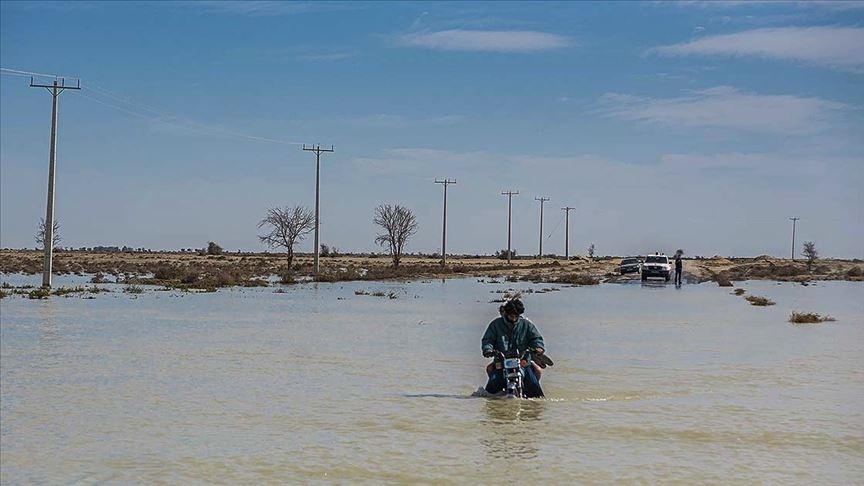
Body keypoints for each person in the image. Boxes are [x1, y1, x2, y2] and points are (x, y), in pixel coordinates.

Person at [481, 298, 546, 398]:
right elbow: (488, 340)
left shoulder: (527, 325)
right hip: (502, 362)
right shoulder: (495, 325)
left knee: (534, 386)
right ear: (506, 313)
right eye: (512, 316)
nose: (514, 319)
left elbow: (536, 338)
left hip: (523, 361)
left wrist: (538, 347)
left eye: (517, 316)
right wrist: (487, 350)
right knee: (492, 386)